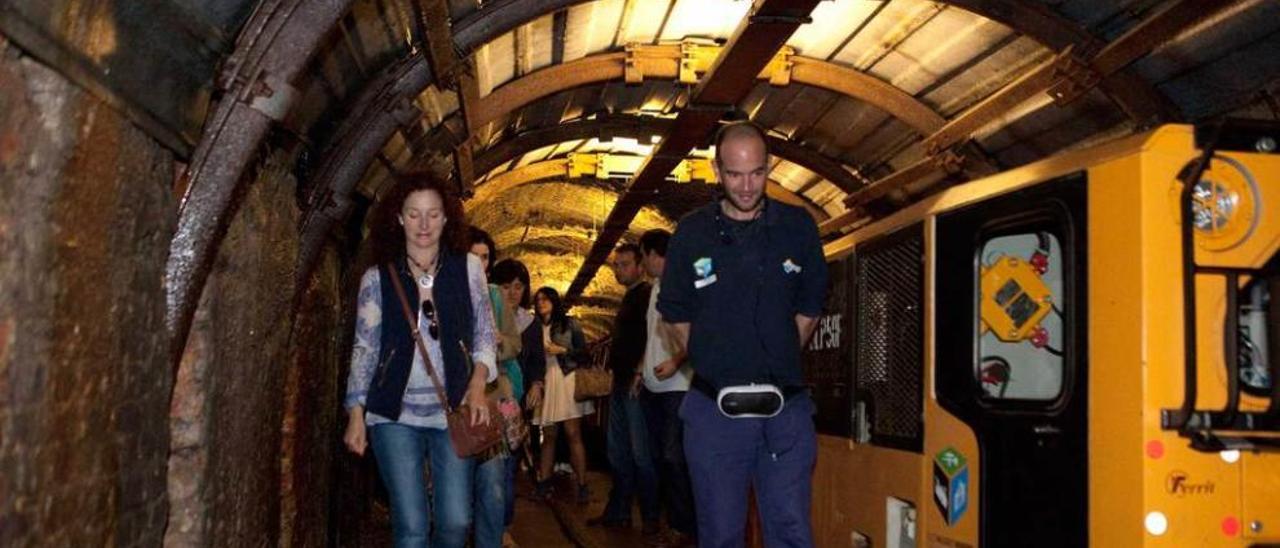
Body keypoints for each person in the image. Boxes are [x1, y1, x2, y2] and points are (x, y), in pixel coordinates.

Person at [657, 121, 828, 548]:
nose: (747, 185)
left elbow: (809, 307)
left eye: (756, 173)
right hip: (714, 413)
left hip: (785, 412)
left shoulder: (798, 227)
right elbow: (674, 314)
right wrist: (711, 356)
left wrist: (777, 355)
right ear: (717, 170)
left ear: (769, 167)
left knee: (791, 530)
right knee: (719, 534)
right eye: (735, 174)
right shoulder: (691, 234)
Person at [342, 172, 498, 548]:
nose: (424, 225)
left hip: (453, 410)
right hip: (393, 415)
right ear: (399, 218)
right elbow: (365, 347)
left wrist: (478, 385)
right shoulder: (378, 278)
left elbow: (483, 334)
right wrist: (356, 414)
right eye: (414, 214)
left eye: (433, 214)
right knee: (411, 528)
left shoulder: (468, 269)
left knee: (456, 522)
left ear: (447, 218)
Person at [589, 244, 659, 534]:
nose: (619, 270)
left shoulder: (646, 295)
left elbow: (653, 336)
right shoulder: (630, 297)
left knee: (642, 454)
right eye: (616, 265)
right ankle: (618, 511)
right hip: (619, 382)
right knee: (619, 452)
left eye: (625, 264)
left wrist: (639, 371)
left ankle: (652, 520)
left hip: (634, 383)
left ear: (640, 265)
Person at [638, 229, 697, 545]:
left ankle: (684, 527)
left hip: (678, 387)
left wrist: (676, 361)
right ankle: (675, 522)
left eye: (642, 256)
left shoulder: (685, 283)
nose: (642, 263)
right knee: (661, 458)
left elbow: (700, 331)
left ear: (651, 254)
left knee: (675, 457)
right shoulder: (655, 289)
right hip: (653, 388)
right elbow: (653, 337)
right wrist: (641, 370)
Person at [468, 228, 520, 548]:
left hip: (490, 400)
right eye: (474, 255)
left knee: (492, 483)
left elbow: (515, 344)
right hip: (455, 405)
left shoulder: (496, 296)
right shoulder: (445, 291)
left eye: (485, 257)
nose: (481, 262)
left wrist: (499, 344)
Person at [528, 286, 594, 503]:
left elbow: (585, 355)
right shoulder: (533, 327)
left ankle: (583, 484)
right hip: (545, 381)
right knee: (549, 436)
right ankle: (544, 483)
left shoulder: (569, 324)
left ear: (555, 301)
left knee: (573, 433)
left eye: (545, 299)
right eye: (538, 300)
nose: (541, 303)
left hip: (566, 379)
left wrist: (563, 351)